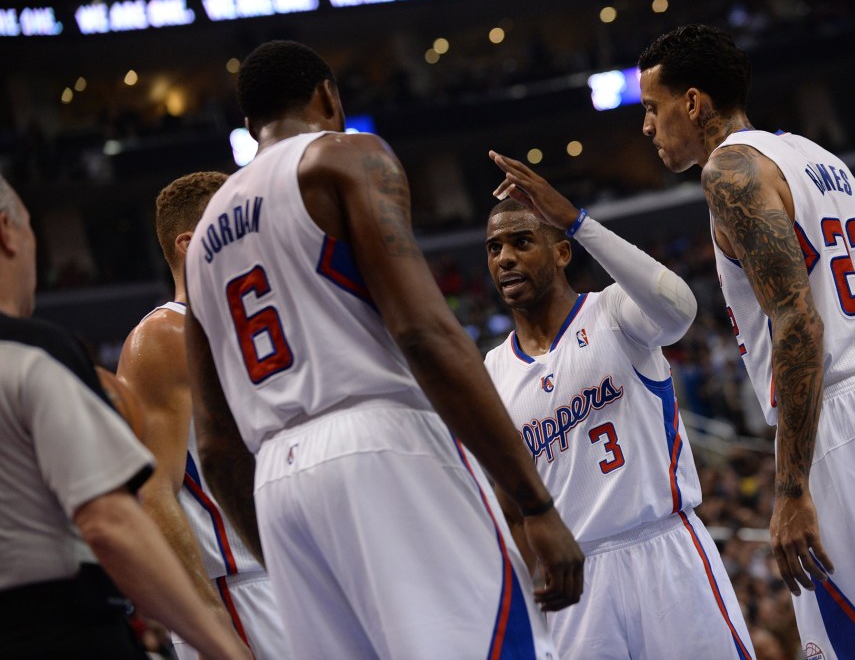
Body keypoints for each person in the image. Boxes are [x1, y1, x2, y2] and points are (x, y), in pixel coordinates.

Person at [183, 40, 583, 660]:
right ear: (328, 96)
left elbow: (214, 445)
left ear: (248, 123)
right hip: (377, 444)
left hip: (275, 485)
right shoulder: (343, 157)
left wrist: (291, 558)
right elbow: (425, 333)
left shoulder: (204, 237)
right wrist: (535, 503)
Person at [636, 23, 855, 659]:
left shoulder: (730, 169)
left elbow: (799, 322)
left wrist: (790, 489)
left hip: (845, 422)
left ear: (692, 103)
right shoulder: (819, 158)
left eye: (651, 107)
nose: (646, 127)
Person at [483, 162, 756, 659]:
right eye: (494, 248)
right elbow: (509, 504)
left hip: (663, 550)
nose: (505, 258)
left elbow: (680, 307)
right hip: (575, 580)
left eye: (522, 242)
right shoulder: (492, 371)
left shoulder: (614, 313)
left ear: (561, 252)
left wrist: (577, 221)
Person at [0, 172, 251, 660]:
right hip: (225, 587)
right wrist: (215, 631)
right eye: (31, 228)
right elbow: (118, 515)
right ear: (7, 233)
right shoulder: (40, 351)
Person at [116, 171, 292, 660]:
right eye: (236, 225)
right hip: (239, 587)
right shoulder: (162, 336)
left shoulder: (256, 320)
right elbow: (152, 491)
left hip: (299, 566)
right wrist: (209, 618)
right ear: (191, 243)